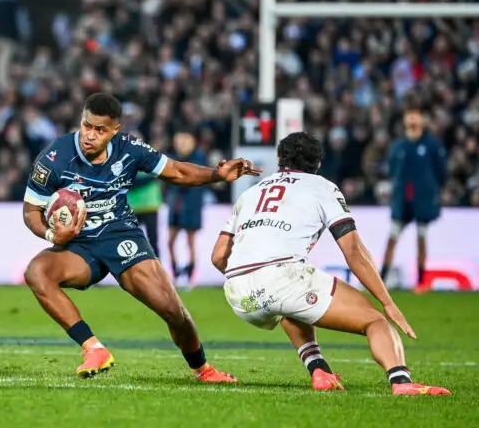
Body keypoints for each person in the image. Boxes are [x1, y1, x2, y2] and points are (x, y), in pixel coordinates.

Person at [22, 93, 260, 381]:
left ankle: (203, 369)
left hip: (121, 236)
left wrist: (217, 175)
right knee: (37, 272)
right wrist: (52, 233)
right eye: (87, 126)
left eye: (100, 130)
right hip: (79, 245)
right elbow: (31, 211)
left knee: (172, 310)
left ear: (115, 130)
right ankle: (93, 349)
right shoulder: (54, 157)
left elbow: (176, 171)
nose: (90, 135)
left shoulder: (130, 148)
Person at [211, 132, 450, 395]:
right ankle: (402, 382)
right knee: (375, 321)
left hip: (241, 298)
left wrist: (251, 278)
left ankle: (320, 370)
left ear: (279, 159)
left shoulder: (250, 193)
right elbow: (354, 253)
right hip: (282, 279)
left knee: (289, 305)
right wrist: (387, 302)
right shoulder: (323, 187)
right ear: (318, 164)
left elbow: (218, 257)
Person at [380, 99, 447, 291]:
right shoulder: (398, 146)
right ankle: (382, 279)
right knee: (392, 239)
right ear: (405, 119)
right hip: (402, 202)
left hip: (422, 202)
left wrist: (431, 191)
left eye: (416, 115)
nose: (413, 119)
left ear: (423, 119)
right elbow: (392, 170)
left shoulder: (432, 145)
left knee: (421, 239)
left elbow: (442, 173)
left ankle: (421, 281)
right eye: (410, 115)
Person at [165, 129, 206, 289]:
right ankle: (175, 273)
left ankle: (190, 276)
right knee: (170, 242)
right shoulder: (173, 158)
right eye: (179, 141)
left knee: (190, 242)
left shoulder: (198, 158)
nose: (181, 144)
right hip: (176, 205)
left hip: (191, 206)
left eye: (184, 141)